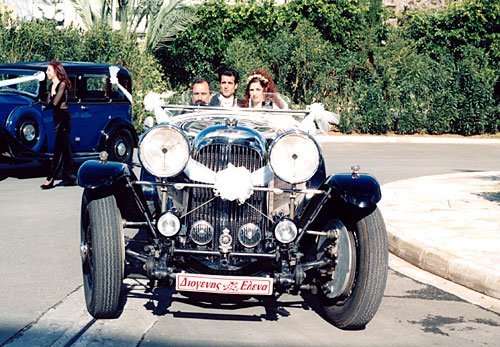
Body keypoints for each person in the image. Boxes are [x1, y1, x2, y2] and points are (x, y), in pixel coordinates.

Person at [40, 62, 77, 189]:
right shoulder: (52, 85)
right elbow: (47, 101)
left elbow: (54, 103)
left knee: (58, 149)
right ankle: (70, 177)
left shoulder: (62, 85)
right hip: (57, 118)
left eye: (49, 70)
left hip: (64, 118)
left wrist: (45, 104)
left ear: (56, 71)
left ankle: (50, 178)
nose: (46, 72)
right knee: (66, 149)